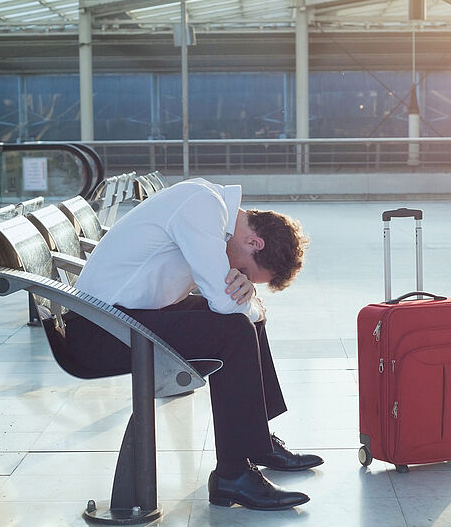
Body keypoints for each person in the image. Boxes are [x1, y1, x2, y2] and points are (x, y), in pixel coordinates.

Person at [64, 177, 321, 511]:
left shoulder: (208, 204)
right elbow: (227, 303)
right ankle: (233, 474)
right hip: (98, 331)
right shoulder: (202, 207)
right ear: (254, 242)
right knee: (236, 328)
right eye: (243, 269)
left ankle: (257, 444)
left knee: (244, 323)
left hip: (121, 318)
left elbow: (229, 302)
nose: (235, 273)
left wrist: (250, 303)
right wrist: (251, 303)